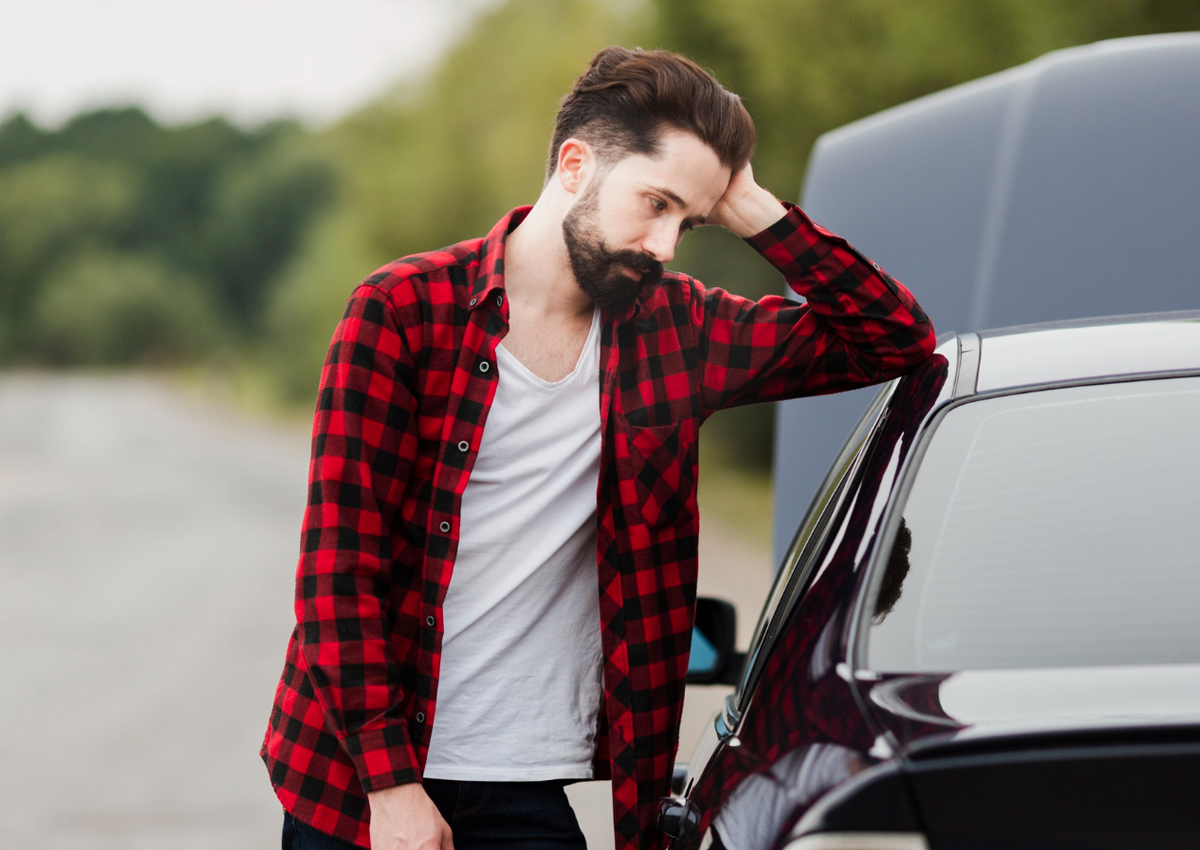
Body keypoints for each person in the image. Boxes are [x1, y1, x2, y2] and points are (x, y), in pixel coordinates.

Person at [262, 45, 935, 850]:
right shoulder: (402, 313)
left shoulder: (675, 329)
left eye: (688, 218)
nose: (666, 244)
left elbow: (893, 340)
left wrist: (751, 204)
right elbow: (340, 568)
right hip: (361, 791)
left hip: (523, 789)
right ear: (576, 165)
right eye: (654, 203)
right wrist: (392, 787)